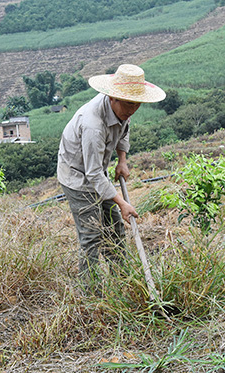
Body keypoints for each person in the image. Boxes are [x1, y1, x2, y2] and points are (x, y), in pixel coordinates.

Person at [57, 64, 165, 284]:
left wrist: (122, 160)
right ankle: (91, 292)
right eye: (128, 104)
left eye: (137, 105)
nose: (132, 110)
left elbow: (124, 131)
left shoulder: (125, 108)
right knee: (91, 235)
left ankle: (123, 282)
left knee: (115, 227)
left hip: (97, 171)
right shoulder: (93, 124)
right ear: (112, 97)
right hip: (77, 177)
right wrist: (122, 203)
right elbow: (93, 174)